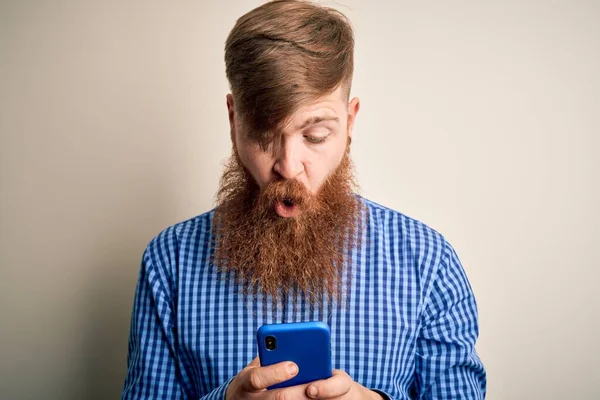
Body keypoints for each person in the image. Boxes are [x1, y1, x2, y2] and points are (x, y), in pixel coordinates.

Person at [121, 1, 487, 399]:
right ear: (232, 119)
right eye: (264, 134)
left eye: (314, 136)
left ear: (350, 123)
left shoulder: (427, 261)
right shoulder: (169, 262)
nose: (288, 166)